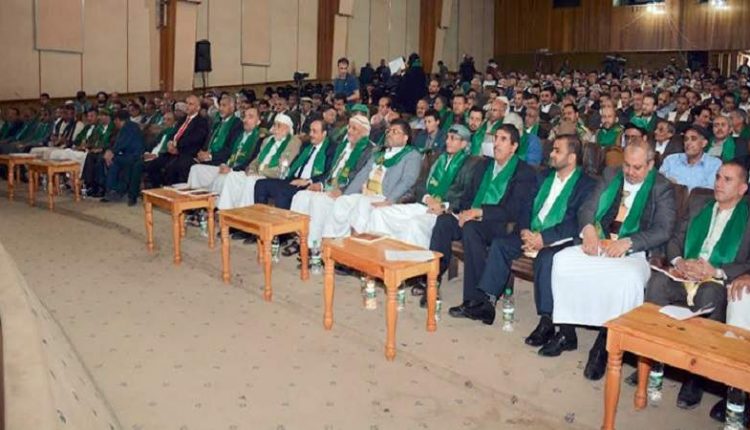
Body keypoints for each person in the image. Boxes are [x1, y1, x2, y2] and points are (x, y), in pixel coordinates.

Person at [545, 140, 675, 381]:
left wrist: (629, 242)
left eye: (637, 167)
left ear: (650, 164)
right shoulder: (611, 174)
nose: (630, 172)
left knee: (626, 278)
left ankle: (605, 344)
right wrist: (588, 229)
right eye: (627, 165)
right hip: (603, 240)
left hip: (636, 250)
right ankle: (566, 332)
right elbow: (588, 207)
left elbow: (663, 230)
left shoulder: (662, 186)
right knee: (562, 261)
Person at [645, 161, 750, 414]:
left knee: (711, 295)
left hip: (715, 279)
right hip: (684, 274)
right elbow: (675, 239)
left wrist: (716, 271)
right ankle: (653, 360)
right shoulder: (699, 204)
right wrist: (679, 262)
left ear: (742, 188)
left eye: (727, 180)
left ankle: (695, 377)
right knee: (657, 283)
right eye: (718, 177)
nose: (718, 183)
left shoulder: (747, 217)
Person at [465, 134, 597, 326]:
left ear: (571, 158)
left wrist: (544, 238)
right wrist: (525, 230)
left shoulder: (586, 185)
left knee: (546, 257)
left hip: (557, 239)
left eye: (557, 151)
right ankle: (488, 302)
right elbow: (525, 207)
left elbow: (576, 221)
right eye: (552, 149)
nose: (551, 154)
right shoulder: (543, 176)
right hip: (531, 232)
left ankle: (546, 320)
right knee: (501, 245)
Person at [430, 125, 538, 314]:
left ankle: (475, 300)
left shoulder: (523, 172)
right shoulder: (484, 165)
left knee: (471, 228)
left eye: (503, 139)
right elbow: (467, 196)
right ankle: (432, 280)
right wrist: (461, 212)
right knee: (444, 222)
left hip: (501, 225)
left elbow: (513, 210)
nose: (496, 143)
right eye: (495, 138)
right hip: (473, 218)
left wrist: (478, 212)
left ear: (514, 146)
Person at [367, 125, 481, 250]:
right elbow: (420, 184)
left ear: (464, 144)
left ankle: (408, 261)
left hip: (444, 213)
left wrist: (443, 206)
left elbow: (466, 197)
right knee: (381, 212)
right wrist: (427, 198)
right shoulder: (439, 158)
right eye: (447, 137)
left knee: (414, 224)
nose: (447, 141)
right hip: (424, 204)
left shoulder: (471, 165)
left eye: (453, 138)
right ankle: (377, 254)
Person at [286, 115, 374, 251]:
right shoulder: (343, 146)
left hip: (347, 192)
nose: (349, 131)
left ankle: (313, 245)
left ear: (364, 133)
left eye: (354, 129)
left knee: (318, 201)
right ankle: (300, 238)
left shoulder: (368, 150)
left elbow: (359, 177)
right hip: (329, 187)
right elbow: (330, 172)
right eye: (349, 127)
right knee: (301, 196)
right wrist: (320, 185)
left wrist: (342, 191)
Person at [323, 119, 421, 239]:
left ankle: (356, 242)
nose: (389, 134)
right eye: (388, 131)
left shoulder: (412, 155)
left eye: (395, 132)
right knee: (342, 202)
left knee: (363, 204)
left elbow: (408, 181)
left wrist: (390, 200)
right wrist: (346, 194)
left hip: (385, 195)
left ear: (405, 138)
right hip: (367, 193)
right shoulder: (378, 153)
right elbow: (362, 175)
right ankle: (332, 241)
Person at [215, 113, 301, 210]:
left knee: (251, 181)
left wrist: (260, 172)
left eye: (279, 125)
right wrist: (251, 169)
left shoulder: (293, 142)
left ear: (287, 128)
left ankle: (245, 213)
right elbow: (257, 159)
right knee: (233, 176)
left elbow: (283, 166)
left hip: (271, 174)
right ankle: (225, 210)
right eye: (274, 124)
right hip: (256, 172)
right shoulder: (268, 140)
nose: (274, 128)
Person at [254, 119, 336, 209]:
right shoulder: (306, 146)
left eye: (314, 131)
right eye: (310, 130)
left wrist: (309, 181)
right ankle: (260, 214)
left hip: (308, 184)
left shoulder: (330, 149)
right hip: (293, 179)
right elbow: (293, 164)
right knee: (260, 184)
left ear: (324, 133)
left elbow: (328, 172)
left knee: (282, 192)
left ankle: (282, 218)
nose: (311, 134)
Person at [186, 107, 262, 191]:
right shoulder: (238, 134)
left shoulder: (259, 138)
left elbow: (252, 161)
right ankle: (193, 197)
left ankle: (212, 199)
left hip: (240, 171)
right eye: (244, 116)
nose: (245, 120)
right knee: (196, 169)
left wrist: (232, 169)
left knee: (224, 178)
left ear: (258, 121)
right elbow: (227, 151)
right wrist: (213, 158)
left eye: (250, 117)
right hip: (227, 165)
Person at [144, 95, 210, 186]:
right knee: (152, 165)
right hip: (173, 152)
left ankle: (170, 190)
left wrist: (177, 147)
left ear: (198, 108)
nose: (187, 106)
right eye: (186, 103)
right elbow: (173, 134)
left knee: (171, 168)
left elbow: (195, 140)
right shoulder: (182, 119)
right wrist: (170, 143)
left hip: (187, 153)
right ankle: (159, 188)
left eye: (190, 104)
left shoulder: (201, 122)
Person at [100, 110, 145, 205]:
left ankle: (113, 190)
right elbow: (117, 144)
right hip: (127, 154)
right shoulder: (129, 126)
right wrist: (110, 151)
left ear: (117, 120)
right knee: (112, 160)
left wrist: (112, 152)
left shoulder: (129, 127)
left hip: (134, 156)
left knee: (112, 161)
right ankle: (114, 190)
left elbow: (123, 143)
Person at [659, 125, 721, 191]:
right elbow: (658, 183)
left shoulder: (714, 164)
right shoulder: (671, 160)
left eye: (693, 139)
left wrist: (677, 186)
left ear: (704, 143)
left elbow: (709, 191)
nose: (688, 143)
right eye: (686, 139)